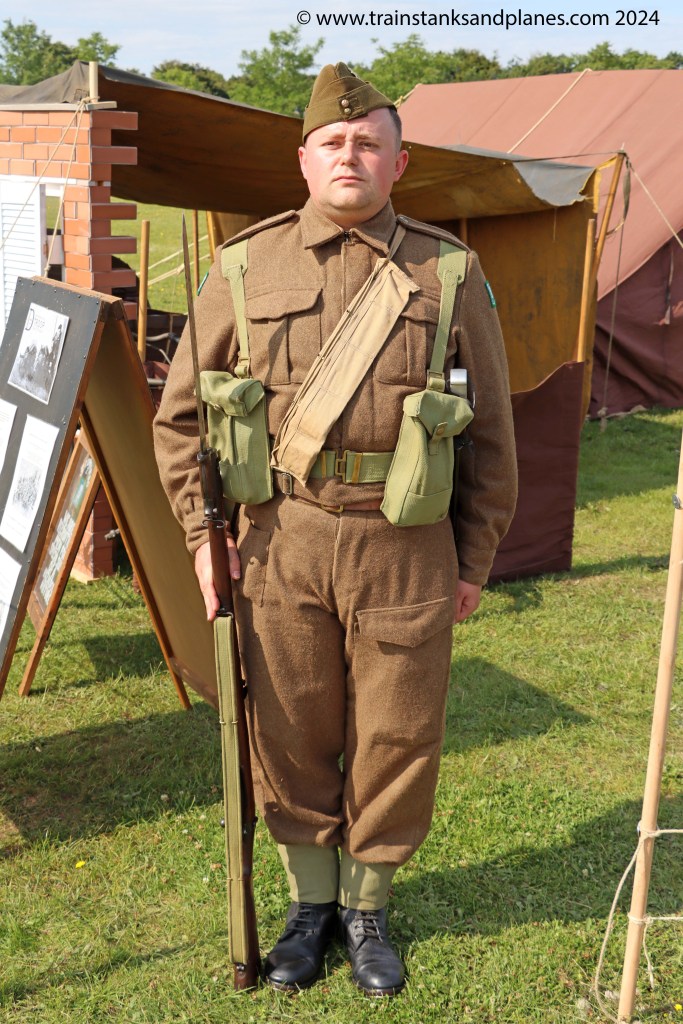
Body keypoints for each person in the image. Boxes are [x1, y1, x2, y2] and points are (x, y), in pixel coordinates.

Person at [153, 62, 517, 998]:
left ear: (398, 162)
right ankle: (309, 906)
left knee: (399, 732)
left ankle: (367, 910)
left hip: (407, 545)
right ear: (304, 160)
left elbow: (492, 434)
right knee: (287, 725)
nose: (348, 155)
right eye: (331, 143)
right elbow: (181, 419)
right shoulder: (244, 264)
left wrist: (473, 557)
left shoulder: (447, 269)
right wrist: (202, 537)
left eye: (367, 143)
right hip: (282, 539)